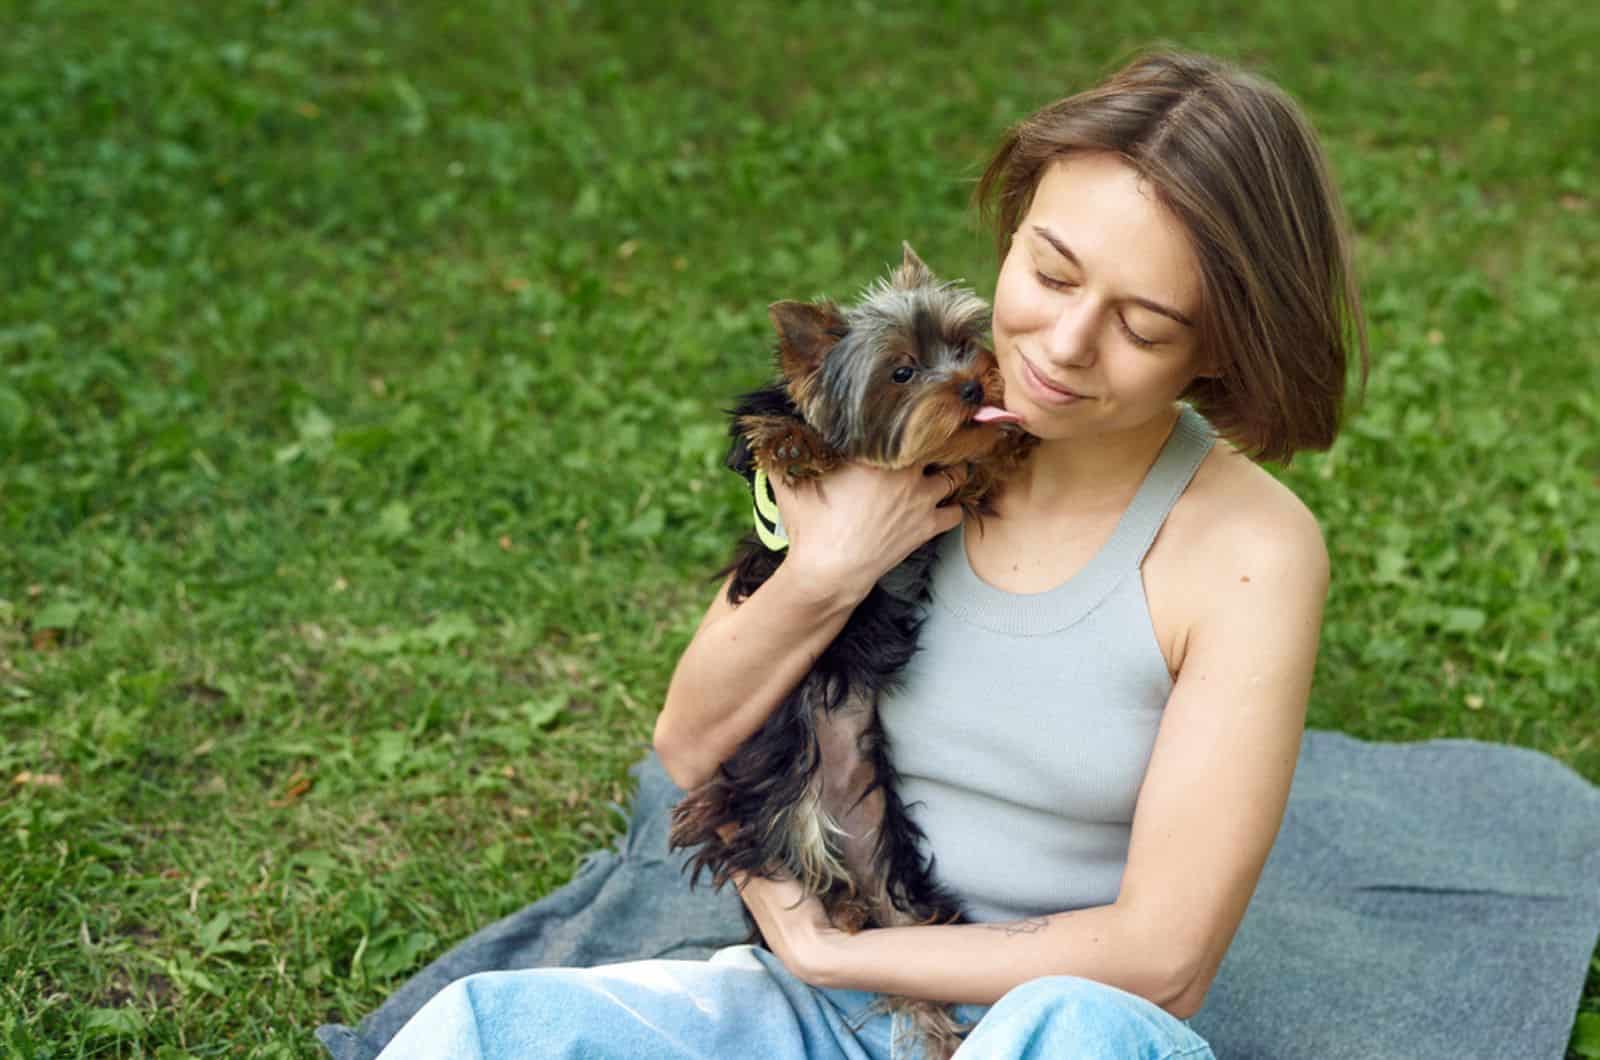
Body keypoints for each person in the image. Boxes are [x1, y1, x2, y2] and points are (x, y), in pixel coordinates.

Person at [376, 47, 1366, 1059]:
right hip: (820, 1017)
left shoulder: (1249, 551)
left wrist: (833, 955)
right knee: (482, 1029)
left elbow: (1164, 959)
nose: (1062, 345)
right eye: (1049, 271)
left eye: (1142, 326)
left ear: (1223, 346)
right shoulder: (885, 442)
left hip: (1056, 1013)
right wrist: (824, 569)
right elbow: (689, 743)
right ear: (1012, 229)